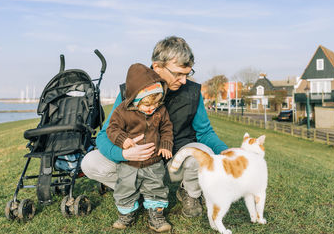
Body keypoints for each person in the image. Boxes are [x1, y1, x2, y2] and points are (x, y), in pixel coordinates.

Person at [81, 36, 229, 219]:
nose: (184, 81)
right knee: (89, 162)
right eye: (178, 74)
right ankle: (137, 193)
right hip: (134, 163)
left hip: (171, 163)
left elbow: (205, 132)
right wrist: (124, 154)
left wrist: (226, 152)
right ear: (157, 66)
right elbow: (104, 135)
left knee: (203, 152)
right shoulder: (129, 91)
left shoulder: (193, 92)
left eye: (187, 74)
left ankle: (188, 193)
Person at [107, 63, 173, 232]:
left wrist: (166, 144)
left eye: (156, 104)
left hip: (153, 160)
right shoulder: (122, 111)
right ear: (135, 99)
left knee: (156, 187)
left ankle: (156, 216)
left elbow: (166, 128)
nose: (152, 108)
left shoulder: (160, 110)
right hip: (129, 164)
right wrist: (123, 140)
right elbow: (112, 129)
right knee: (126, 188)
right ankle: (126, 213)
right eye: (147, 105)